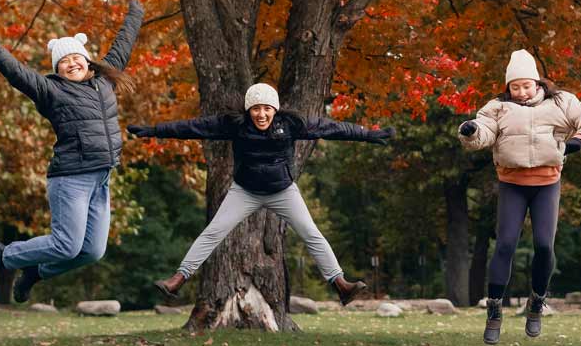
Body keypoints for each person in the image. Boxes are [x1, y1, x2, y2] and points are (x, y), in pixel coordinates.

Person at [128, 83, 394, 305]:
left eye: (267, 108)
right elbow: (191, 128)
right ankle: (177, 280)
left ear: (275, 110)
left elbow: (331, 129)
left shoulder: (291, 123)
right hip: (244, 191)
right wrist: (153, 131)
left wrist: (368, 135)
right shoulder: (235, 125)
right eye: (256, 109)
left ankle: (341, 284)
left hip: (283, 191)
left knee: (311, 233)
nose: (261, 114)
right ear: (249, 110)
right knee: (213, 232)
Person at [0, 0, 144, 303]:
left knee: (92, 251)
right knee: (66, 245)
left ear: (87, 60)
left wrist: (135, 14)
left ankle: (37, 272)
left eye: (76, 57)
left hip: (101, 178)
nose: (71, 63)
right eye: (64, 61)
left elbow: (123, 43)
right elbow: (16, 73)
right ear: (57, 69)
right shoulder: (51, 91)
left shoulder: (105, 82)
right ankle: (1, 255)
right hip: (70, 179)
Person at [459, 49, 581, 344]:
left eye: (526, 85)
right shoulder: (498, 108)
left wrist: (579, 141)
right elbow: (484, 132)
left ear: (537, 83)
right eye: (515, 87)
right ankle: (495, 309)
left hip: (546, 182)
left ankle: (537, 301)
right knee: (505, 245)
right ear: (508, 88)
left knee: (543, 245)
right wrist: (470, 132)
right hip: (512, 183)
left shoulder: (560, 102)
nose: (522, 92)